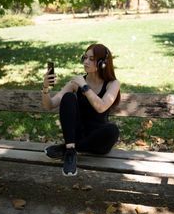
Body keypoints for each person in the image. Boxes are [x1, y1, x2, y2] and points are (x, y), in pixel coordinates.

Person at [42, 43, 120, 177]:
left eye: (91, 59)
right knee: (68, 97)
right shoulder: (76, 82)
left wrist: (84, 86)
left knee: (113, 130)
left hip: (98, 139)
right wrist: (45, 88)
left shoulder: (113, 84)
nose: (85, 62)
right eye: (85, 58)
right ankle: (71, 152)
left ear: (102, 63)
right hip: (77, 133)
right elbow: (50, 105)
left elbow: (101, 107)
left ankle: (67, 148)